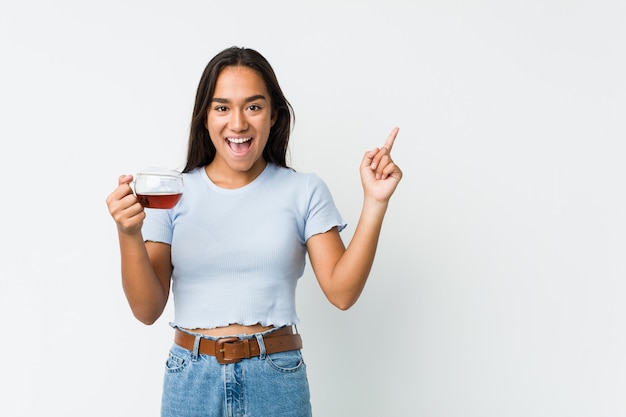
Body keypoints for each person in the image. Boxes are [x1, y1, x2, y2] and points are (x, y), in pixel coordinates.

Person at [106, 46, 402, 417]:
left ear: (274, 115)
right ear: (205, 118)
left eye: (253, 106)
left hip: (275, 377)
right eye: (222, 107)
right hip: (191, 380)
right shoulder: (173, 193)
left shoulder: (303, 190)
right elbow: (147, 310)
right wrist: (128, 233)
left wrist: (375, 203)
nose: (238, 123)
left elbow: (342, 293)